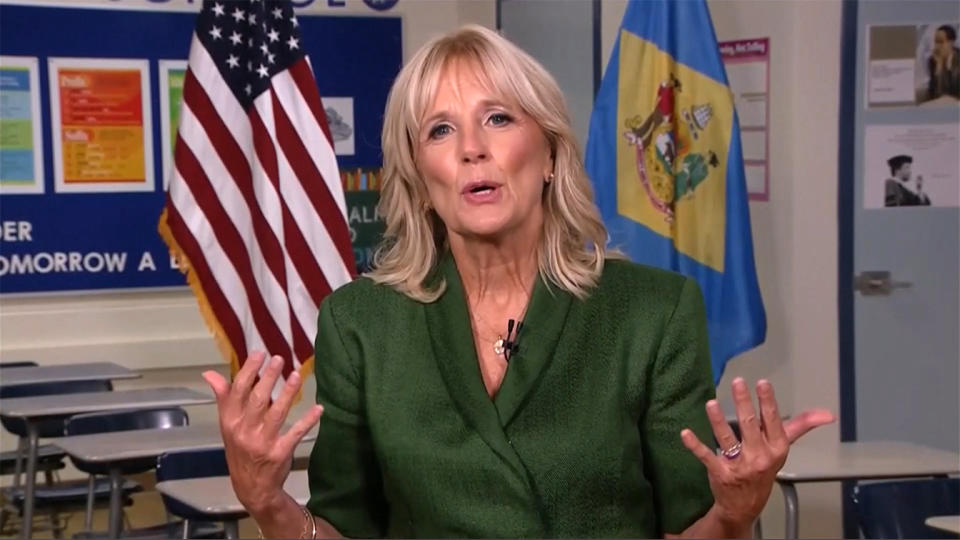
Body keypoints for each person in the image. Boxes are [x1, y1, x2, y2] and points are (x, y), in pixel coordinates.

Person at [202, 25, 834, 539]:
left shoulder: (654, 311)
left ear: (552, 153)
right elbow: (345, 531)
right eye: (441, 130)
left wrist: (733, 513)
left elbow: (688, 529)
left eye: (499, 118)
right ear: (421, 178)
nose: (472, 148)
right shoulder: (360, 321)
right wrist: (268, 504)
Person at [927, 24, 960, 101]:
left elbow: (956, 91)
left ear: (951, 42)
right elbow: (934, 95)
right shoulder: (933, 60)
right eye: (936, 42)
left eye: (941, 42)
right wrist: (939, 67)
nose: (937, 46)